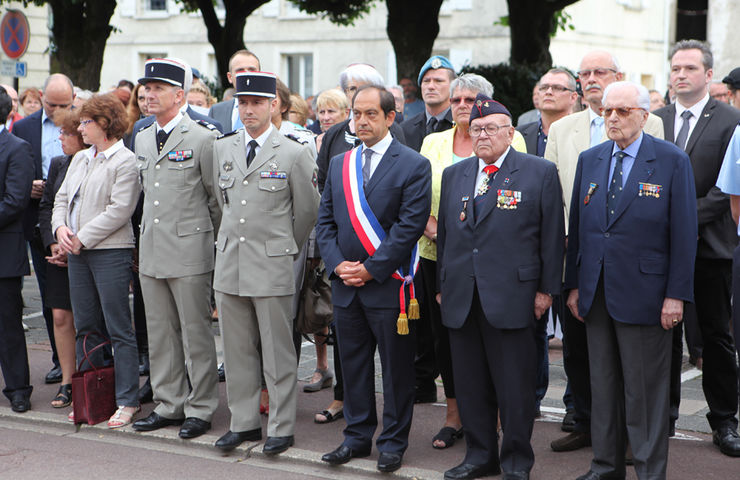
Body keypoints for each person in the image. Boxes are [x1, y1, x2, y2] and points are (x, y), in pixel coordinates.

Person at [567, 81, 698, 480]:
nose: (613, 118)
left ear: (644, 116)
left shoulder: (671, 160)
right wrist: (573, 284)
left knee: (643, 393)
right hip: (596, 291)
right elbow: (580, 228)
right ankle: (605, 466)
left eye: (622, 112)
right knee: (603, 388)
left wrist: (676, 295)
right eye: (608, 111)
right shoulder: (590, 159)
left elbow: (684, 232)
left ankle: (647, 471)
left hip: (647, 294)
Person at [436, 94, 564, 480]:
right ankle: (480, 456)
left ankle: (515, 462)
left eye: (491, 128)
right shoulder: (454, 174)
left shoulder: (538, 171)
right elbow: (446, 236)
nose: (483, 134)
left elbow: (552, 237)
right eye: (476, 129)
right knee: (471, 385)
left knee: (514, 390)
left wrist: (545, 291)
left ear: (510, 132)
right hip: (462, 297)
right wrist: (444, 285)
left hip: (514, 297)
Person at [544, 50, 664, 453]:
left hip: (632, 265)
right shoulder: (563, 129)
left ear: (618, 76)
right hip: (576, 255)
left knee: (631, 358)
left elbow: (657, 191)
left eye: (600, 72)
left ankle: (632, 436)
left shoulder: (653, 123)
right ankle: (587, 424)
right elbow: (551, 191)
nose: (591, 78)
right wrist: (563, 237)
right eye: (586, 73)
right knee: (580, 349)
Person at [317, 85, 431, 473]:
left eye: (370, 114)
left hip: (389, 286)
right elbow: (325, 222)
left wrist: (371, 268)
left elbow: (409, 226)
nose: (361, 121)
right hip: (346, 285)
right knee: (353, 365)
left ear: (389, 117)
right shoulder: (340, 164)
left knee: (397, 370)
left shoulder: (413, 164)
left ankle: (393, 442)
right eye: (356, 114)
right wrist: (338, 265)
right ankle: (356, 437)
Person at [212, 71, 319, 455]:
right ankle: (243, 424)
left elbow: (307, 213)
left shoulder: (293, 152)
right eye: (243, 103)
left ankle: (281, 426)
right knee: (236, 351)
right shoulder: (222, 148)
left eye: (257, 102)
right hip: (229, 263)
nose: (249, 110)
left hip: (272, 263)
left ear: (274, 105)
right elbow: (220, 203)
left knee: (277, 352)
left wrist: (281, 247)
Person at [418, 73, 527, 450]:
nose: (463, 105)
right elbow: (419, 193)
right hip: (441, 258)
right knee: (449, 343)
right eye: (457, 99)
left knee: (498, 350)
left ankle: (498, 424)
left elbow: (525, 203)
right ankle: (455, 417)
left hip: (498, 266)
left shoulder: (511, 137)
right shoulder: (433, 142)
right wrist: (432, 228)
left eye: (471, 99)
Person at [653, 39, 740, 455]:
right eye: (675, 68)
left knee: (714, 338)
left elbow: (728, 190)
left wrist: (680, 219)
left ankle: (724, 420)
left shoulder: (730, 121)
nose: (680, 74)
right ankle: (662, 418)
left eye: (689, 68)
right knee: (661, 335)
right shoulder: (655, 119)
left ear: (709, 74)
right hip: (660, 251)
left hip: (710, 249)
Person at [129, 58, 221, 440]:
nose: (148, 95)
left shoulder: (203, 137)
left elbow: (217, 200)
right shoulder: (142, 136)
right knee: (160, 331)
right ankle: (169, 404)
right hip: (152, 250)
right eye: (146, 90)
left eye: (157, 90)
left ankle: (200, 408)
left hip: (190, 249)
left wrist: (214, 250)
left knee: (195, 333)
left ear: (179, 95)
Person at [51, 93, 141, 428]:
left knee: (118, 327)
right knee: (85, 326)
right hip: (78, 252)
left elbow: (120, 210)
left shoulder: (125, 161)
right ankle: (92, 396)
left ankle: (128, 400)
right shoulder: (81, 159)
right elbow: (61, 198)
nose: (80, 128)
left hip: (109, 252)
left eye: (86, 122)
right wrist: (60, 228)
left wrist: (81, 237)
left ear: (104, 124)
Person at [516, 68, 578, 420]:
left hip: (571, 241)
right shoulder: (520, 134)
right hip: (529, 243)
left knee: (573, 325)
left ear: (574, 96)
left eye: (559, 87)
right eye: (544, 86)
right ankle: (533, 396)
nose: (550, 92)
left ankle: (574, 403)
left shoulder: (582, 131)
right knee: (535, 321)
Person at [12, 73, 77, 386]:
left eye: (64, 104)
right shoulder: (24, 127)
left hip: (75, 224)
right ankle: (57, 358)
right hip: (38, 221)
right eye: (52, 104)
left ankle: (83, 362)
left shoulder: (81, 123)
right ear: (41, 97)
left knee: (76, 301)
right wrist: (29, 187)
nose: (57, 110)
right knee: (50, 297)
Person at [38, 108, 86, 408]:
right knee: (60, 316)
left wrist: (77, 246)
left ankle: (91, 378)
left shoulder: (97, 163)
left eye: (66, 133)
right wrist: (53, 242)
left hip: (88, 251)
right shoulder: (59, 164)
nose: (60, 138)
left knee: (90, 319)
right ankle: (67, 382)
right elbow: (46, 206)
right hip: (59, 251)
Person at [315, 63, 406, 192]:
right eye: (352, 88)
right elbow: (322, 181)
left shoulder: (393, 130)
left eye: (364, 88)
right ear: (345, 93)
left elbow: (402, 174)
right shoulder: (334, 134)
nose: (358, 93)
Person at [0, 85, 34, 413]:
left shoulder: (16, 149)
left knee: (7, 325)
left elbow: (14, 202)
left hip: (4, 254)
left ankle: (18, 388)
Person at [402, 55, 456, 153]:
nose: (431, 86)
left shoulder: (461, 126)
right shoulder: (406, 129)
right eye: (426, 81)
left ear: (453, 86)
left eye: (438, 81)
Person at [208, 49, 261, 133]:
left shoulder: (269, 109)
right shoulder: (216, 111)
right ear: (230, 77)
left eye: (252, 70)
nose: (246, 75)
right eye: (240, 71)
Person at [314, 88, 349, 152]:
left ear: (346, 113)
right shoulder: (312, 142)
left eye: (331, 111)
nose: (326, 118)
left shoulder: (354, 143)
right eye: (322, 112)